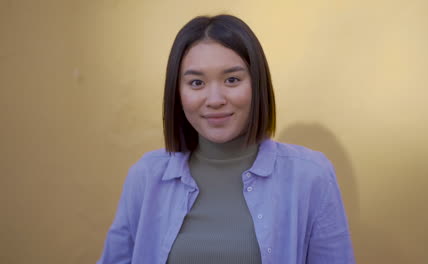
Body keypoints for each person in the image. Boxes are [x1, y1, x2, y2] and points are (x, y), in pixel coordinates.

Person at [97, 14, 355, 264]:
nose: (215, 99)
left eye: (232, 79)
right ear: (177, 93)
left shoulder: (311, 176)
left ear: (257, 84)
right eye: (196, 83)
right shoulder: (146, 177)